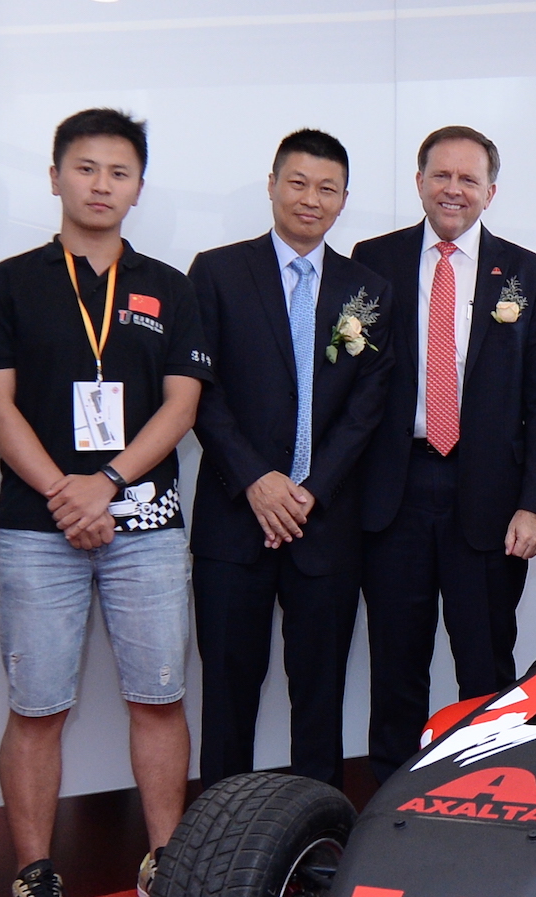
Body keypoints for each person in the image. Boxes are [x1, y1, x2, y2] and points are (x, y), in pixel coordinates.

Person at [0, 108, 208, 897]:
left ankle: (165, 858)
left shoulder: (170, 287)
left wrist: (104, 482)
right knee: (37, 704)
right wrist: (65, 493)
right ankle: (35, 873)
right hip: (37, 525)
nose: (100, 184)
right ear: (53, 176)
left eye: (118, 172)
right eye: (85, 168)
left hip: (145, 519)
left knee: (159, 694)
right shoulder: (8, 283)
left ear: (138, 187)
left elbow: (182, 404)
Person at [350, 126, 536, 780]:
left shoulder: (528, 274)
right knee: (395, 664)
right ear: (418, 183)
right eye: (440, 176)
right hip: (395, 491)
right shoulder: (372, 261)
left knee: (484, 664)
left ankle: (486, 796)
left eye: (468, 179)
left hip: (489, 499)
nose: (453, 189)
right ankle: (390, 802)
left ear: (490, 192)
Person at [187, 129, 394, 786]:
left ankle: (316, 844)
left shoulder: (368, 291)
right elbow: (201, 392)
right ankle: (216, 847)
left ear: (343, 200)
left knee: (320, 700)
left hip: (323, 525)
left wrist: (309, 488)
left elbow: (368, 406)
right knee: (227, 698)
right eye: (298, 183)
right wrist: (257, 480)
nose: (311, 199)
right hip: (233, 519)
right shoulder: (216, 272)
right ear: (273, 184)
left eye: (326, 188)